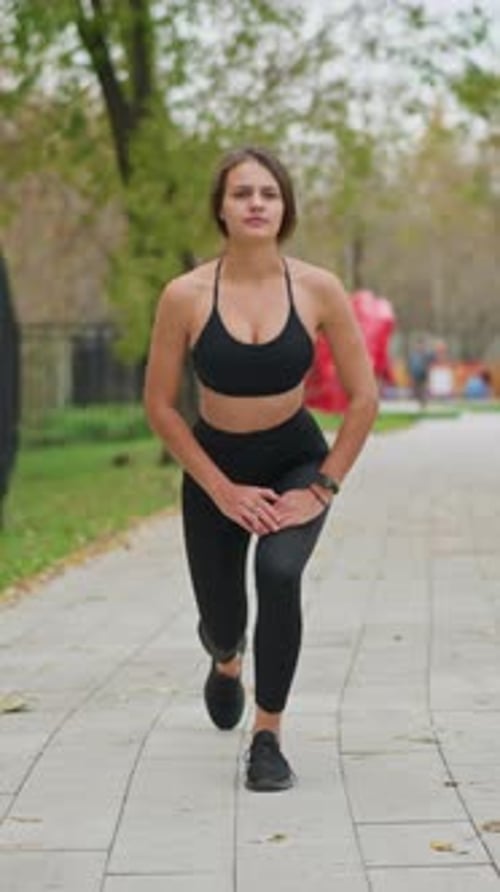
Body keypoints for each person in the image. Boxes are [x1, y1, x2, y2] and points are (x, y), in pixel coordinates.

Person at [144, 146, 378, 792]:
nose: (255, 203)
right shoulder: (185, 295)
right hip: (214, 467)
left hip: (295, 458)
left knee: (278, 573)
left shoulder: (318, 289)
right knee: (223, 619)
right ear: (221, 208)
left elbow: (364, 399)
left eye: (268, 193)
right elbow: (159, 405)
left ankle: (267, 736)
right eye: (242, 192)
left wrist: (322, 487)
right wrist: (220, 490)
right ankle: (226, 658)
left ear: (285, 208)